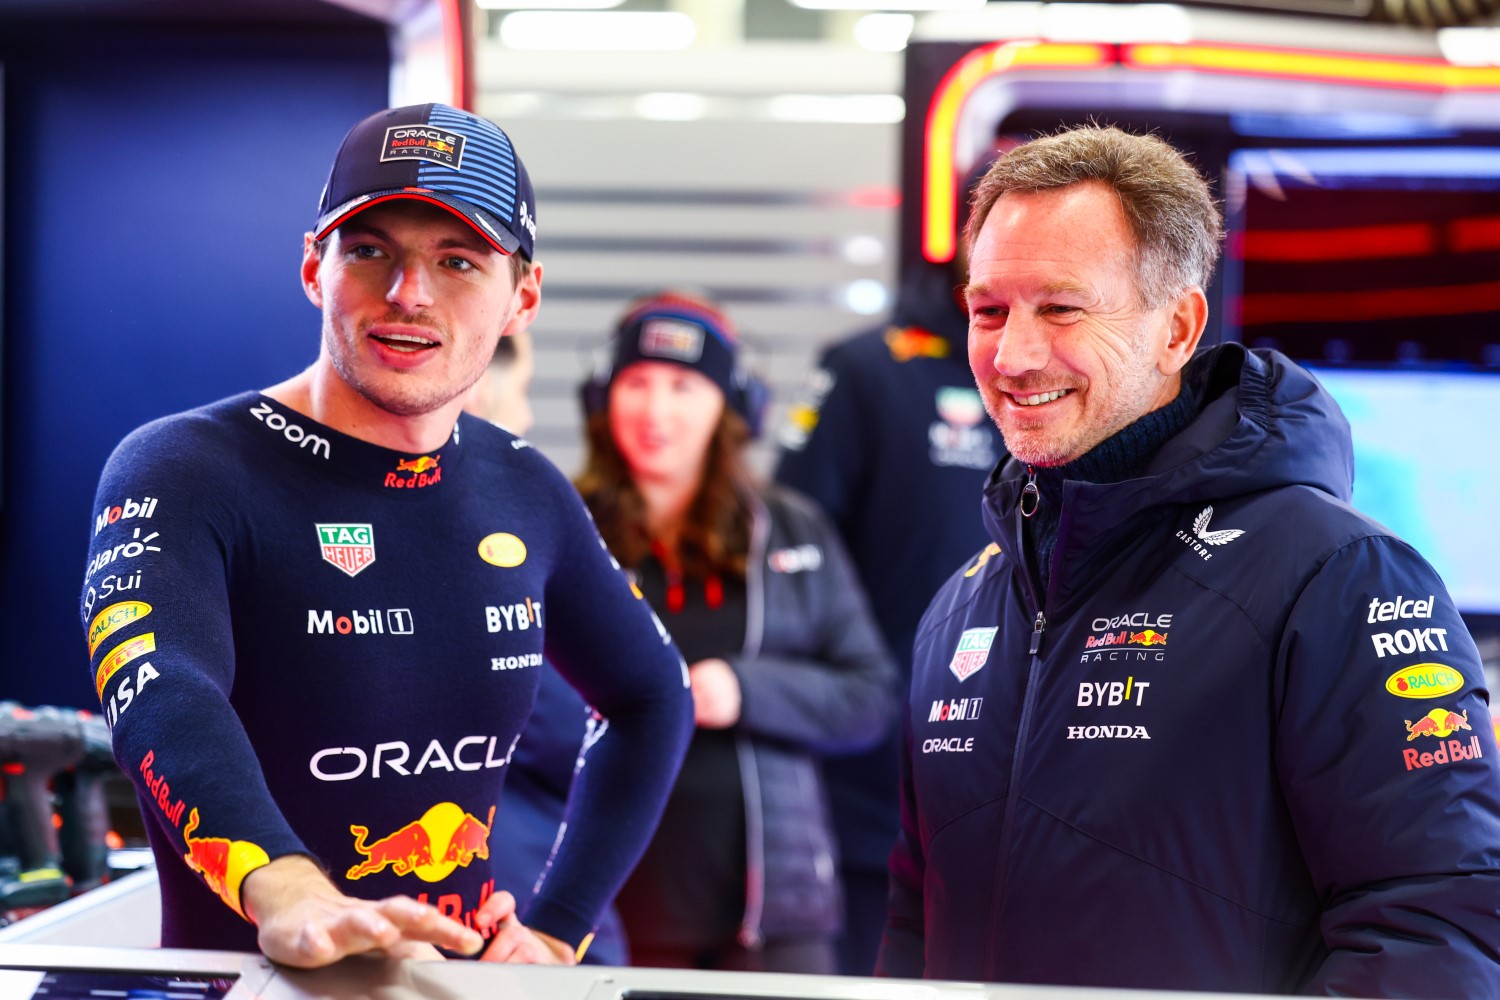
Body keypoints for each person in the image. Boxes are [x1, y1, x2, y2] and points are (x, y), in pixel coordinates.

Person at [878, 124, 1500, 994]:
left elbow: (1438, 927)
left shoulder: (1337, 578)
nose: (1012, 356)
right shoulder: (963, 603)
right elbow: (915, 923)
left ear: (1177, 328)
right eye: (989, 310)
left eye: (1060, 308)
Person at [79, 104, 693, 969]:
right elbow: (162, 687)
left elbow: (652, 695)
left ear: (523, 296)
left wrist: (559, 927)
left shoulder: (525, 484)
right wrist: (290, 891)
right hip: (253, 985)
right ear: (311, 269)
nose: (410, 293)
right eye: (370, 251)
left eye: (458, 260)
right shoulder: (185, 467)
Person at [575, 292, 898, 974]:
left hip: (773, 917)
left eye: (683, 386)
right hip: (601, 906)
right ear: (604, 396)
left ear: (731, 406)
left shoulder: (791, 529)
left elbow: (869, 697)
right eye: (637, 383)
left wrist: (740, 690)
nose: (656, 410)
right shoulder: (565, 525)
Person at [773, 150, 1006, 976]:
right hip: (878, 784)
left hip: (1033, 784)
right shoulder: (868, 370)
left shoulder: (1079, 382)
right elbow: (792, 550)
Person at [462, 332, 629, 967]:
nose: (527, 417)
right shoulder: (506, 520)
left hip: (523, 907)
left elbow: (650, 699)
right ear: (482, 386)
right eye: (524, 392)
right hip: (513, 906)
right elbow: (575, 729)